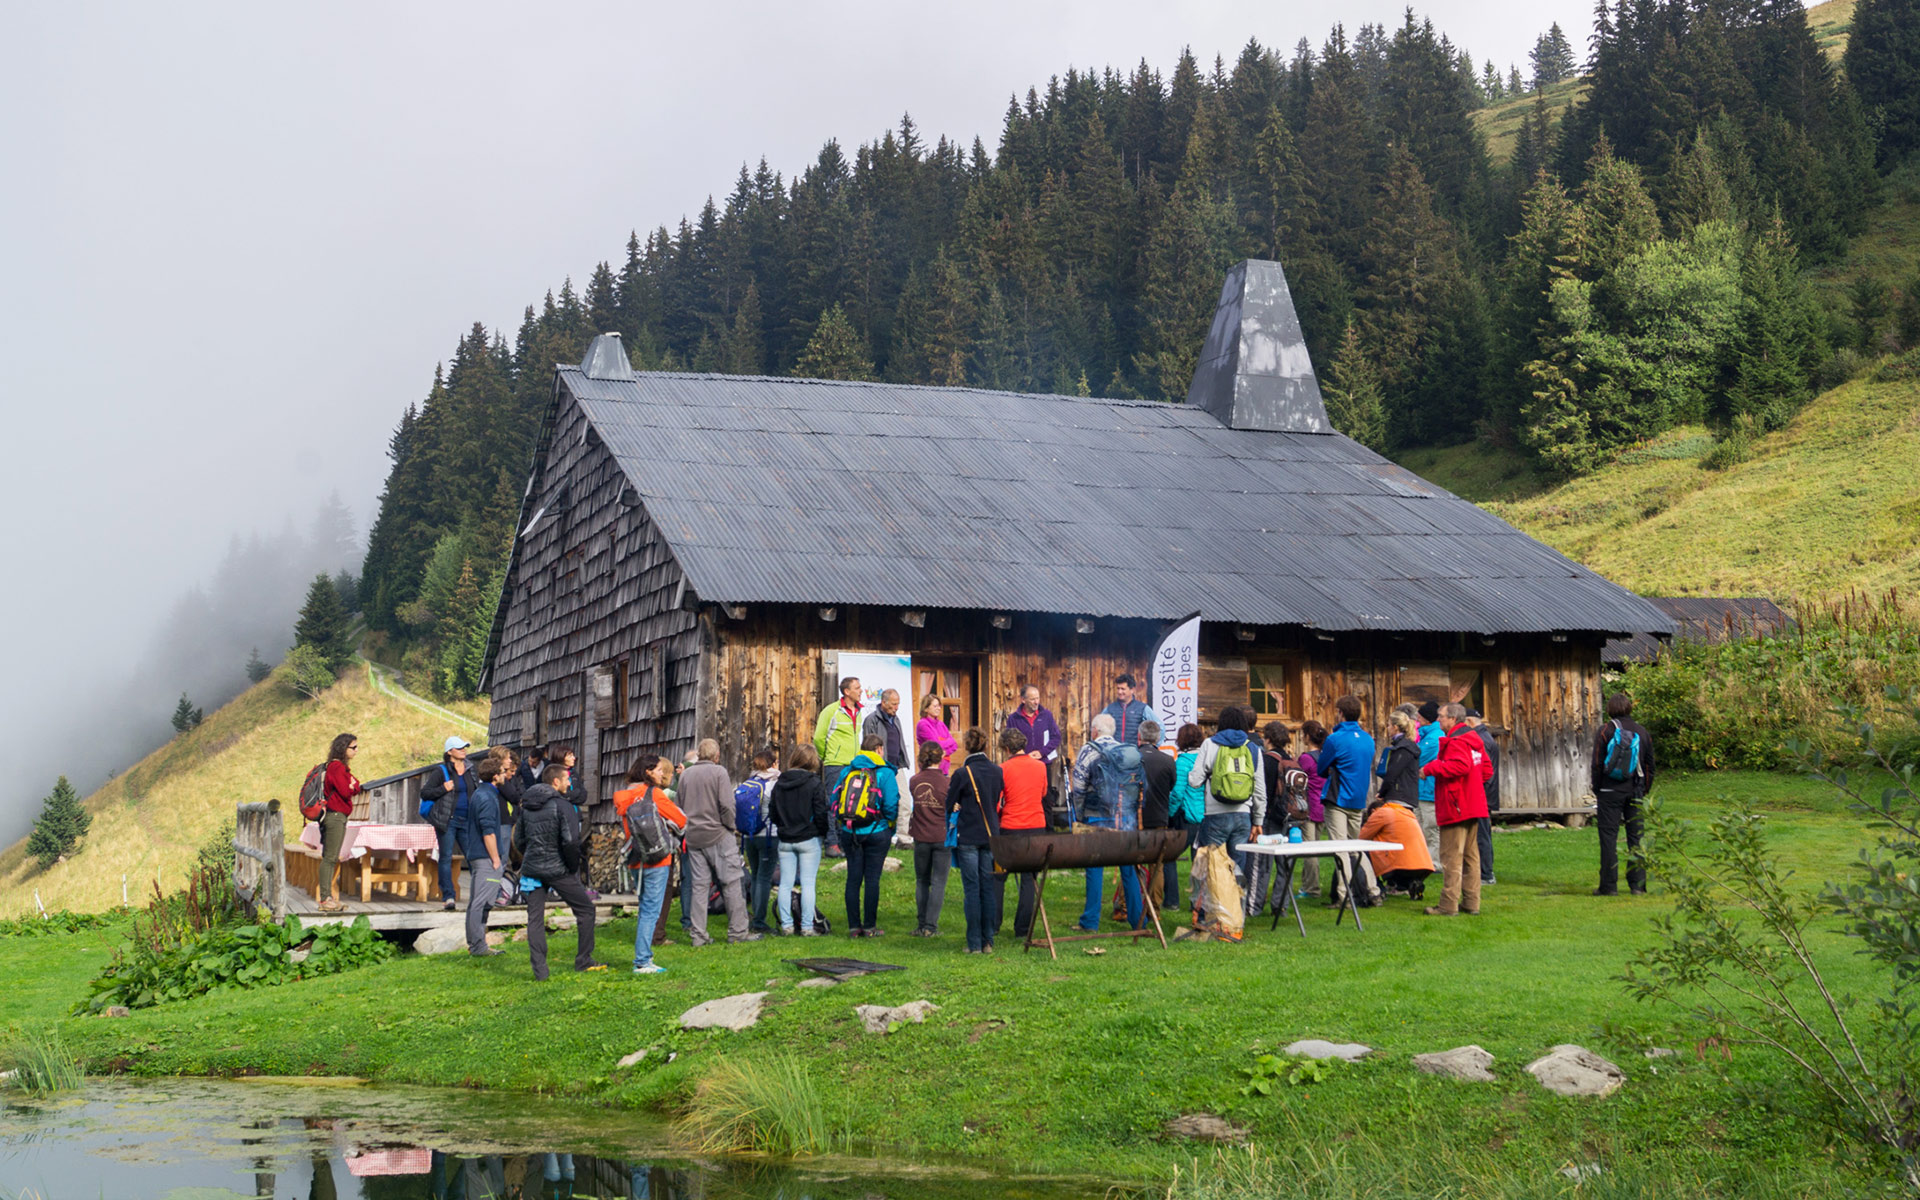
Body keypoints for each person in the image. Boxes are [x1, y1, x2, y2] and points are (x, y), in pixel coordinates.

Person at [516, 763, 599, 980]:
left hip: (532, 869)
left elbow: (519, 840)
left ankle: (540, 972)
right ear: (556, 782)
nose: (569, 782)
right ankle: (584, 960)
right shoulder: (562, 805)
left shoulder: (527, 805)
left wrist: (532, 854)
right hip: (558, 868)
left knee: (534, 918)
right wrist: (572, 867)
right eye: (567, 779)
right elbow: (571, 841)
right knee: (586, 910)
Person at [677, 740, 761, 946]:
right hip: (717, 834)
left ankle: (698, 935)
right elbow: (726, 804)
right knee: (731, 881)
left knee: (699, 886)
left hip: (693, 835)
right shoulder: (719, 773)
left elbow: (678, 805)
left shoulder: (685, 775)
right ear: (716, 756)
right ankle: (738, 932)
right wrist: (730, 826)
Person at [1068, 713, 1144, 932]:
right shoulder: (1125, 752)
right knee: (1128, 869)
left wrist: (1079, 815)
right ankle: (1138, 921)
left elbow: (1079, 786)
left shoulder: (1088, 750)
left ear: (1094, 731)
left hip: (1096, 815)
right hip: (1123, 818)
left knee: (1095, 868)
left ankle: (1090, 921)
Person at [614, 755, 685, 973]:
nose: (661, 773)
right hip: (658, 857)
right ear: (647, 772)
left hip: (636, 857)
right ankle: (643, 960)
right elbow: (681, 820)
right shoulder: (653, 794)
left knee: (645, 905)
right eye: (657, 770)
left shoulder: (623, 795)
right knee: (650, 911)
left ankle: (644, 958)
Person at [1419, 703, 1491, 916]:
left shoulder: (1456, 741)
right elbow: (1486, 770)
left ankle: (1448, 905)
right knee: (1471, 857)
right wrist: (1471, 787)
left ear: (1453, 719)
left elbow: (1460, 766)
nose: (1438, 720)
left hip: (1456, 806)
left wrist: (1430, 768)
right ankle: (1471, 902)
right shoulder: (1474, 741)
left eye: (1441, 716)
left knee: (1451, 858)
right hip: (1473, 804)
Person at [1187, 706, 1268, 892]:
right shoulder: (1253, 748)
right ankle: (1235, 915)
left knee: (1211, 867)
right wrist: (1258, 820)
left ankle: (1210, 916)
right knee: (1237, 868)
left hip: (1216, 815)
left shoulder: (1210, 744)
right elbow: (1259, 790)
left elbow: (1194, 781)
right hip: (1243, 816)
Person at [945, 728, 1004, 954]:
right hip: (990, 836)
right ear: (986, 746)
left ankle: (974, 943)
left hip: (968, 835)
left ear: (967, 746)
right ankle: (988, 941)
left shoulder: (962, 774)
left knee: (972, 889)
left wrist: (957, 806)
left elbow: (950, 803)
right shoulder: (997, 771)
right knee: (987, 888)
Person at [836, 734, 900, 937]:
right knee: (873, 879)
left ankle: (854, 926)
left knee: (853, 879)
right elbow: (891, 804)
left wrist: (844, 824)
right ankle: (870, 926)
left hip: (850, 831)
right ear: (879, 750)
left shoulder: (847, 770)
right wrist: (889, 825)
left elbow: (835, 799)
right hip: (877, 830)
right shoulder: (885, 773)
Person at [1316, 697, 1378, 905]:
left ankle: (1343, 894)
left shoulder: (1335, 739)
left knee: (1340, 847)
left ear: (1340, 713)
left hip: (1339, 798)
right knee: (1357, 847)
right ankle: (1373, 890)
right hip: (1359, 798)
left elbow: (1321, 768)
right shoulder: (1368, 738)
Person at [1592, 691, 1655, 896]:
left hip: (1609, 791)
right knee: (1636, 838)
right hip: (1635, 791)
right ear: (1629, 707)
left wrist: (1598, 789)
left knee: (1609, 838)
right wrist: (1643, 789)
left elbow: (1597, 764)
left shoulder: (1605, 731)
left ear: (1610, 709)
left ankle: (1609, 887)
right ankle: (1638, 885)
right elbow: (1650, 766)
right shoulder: (1642, 732)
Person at [771, 744, 832, 936]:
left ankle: (787, 925)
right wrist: (822, 832)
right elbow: (821, 812)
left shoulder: (780, 783)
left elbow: (773, 811)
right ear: (812, 761)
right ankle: (806, 926)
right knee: (808, 883)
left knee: (785, 884)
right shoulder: (814, 783)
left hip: (786, 838)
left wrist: (783, 826)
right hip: (808, 837)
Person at [996, 727, 1049, 940]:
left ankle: (993, 923)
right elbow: (1043, 792)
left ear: (1007, 748)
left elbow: (998, 799)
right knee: (1029, 879)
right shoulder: (1040, 767)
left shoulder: (1003, 769)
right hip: (1036, 825)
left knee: (998, 877)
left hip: (1010, 826)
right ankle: (1023, 928)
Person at [419, 735, 475, 912]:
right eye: (459, 748)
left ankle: (480, 894)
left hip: (467, 820)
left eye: (464, 747)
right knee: (445, 857)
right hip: (448, 821)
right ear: (450, 752)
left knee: (473, 857)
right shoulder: (441, 771)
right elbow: (425, 793)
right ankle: (448, 896)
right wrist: (444, 788)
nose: (464, 750)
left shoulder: (471, 770)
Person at [1246, 723, 1296, 917]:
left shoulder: (1266, 761)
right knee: (1285, 863)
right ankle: (1280, 906)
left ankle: (1254, 906)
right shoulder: (1291, 761)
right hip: (1289, 818)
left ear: (1267, 739)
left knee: (1261, 864)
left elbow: (1261, 792)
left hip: (1268, 817)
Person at [460, 756, 508, 956]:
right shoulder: (487, 798)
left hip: (477, 855)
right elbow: (488, 831)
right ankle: (478, 947)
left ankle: (478, 945)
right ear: (496, 776)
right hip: (486, 857)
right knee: (482, 902)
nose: (506, 775)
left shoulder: (481, 793)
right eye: (504, 772)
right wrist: (496, 859)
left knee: (478, 901)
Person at [906, 740, 952, 937]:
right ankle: (931, 927)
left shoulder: (915, 780)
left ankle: (921, 923)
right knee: (939, 881)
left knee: (921, 880)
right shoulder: (947, 783)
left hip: (920, 835)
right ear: (940, 758)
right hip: (941, 834)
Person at [1358, 795, 1436, 900]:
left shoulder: (1381, 813)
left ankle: (1378, 888)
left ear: (1373, 811)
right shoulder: (1407, 813)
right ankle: (1407, 885)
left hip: (1399, 864)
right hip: (1423, 864)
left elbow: (1362, 838)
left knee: (1364, 852)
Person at [316, 732, 361, 913]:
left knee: (331, 857)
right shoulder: (337, 767)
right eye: (354, 747)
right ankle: (325, 899)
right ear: (344, 748)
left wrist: (352, 785)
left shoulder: (338, 767)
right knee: (330, 858)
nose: (356, 751)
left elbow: (356, 785)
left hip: (335, 816)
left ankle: (328, 898)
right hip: (335, 816)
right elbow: (345, 790)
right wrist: (350, 786)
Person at [1137, 721, 1178, 912]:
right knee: (1157, 865)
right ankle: (1154, 906)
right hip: (1159, 816)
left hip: (1136, 818)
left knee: (1130, 862)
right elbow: (1171, 787)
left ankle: (1125, 905)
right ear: (1157, 738)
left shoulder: (1133, 758)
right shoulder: (1168, 761)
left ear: (1140, 736)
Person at [739, 748, 781, 933]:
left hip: (749, 835)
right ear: (773, 764)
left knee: (755, 875)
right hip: (769, 835)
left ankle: (756, 915)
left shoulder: (748, 782)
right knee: (765, 878)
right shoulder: (774, 784)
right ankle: (759, 920)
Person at [1168, 723, 1207, 909]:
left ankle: (1172, 901)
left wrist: (1169, 813)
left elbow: (1177, 793)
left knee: (1169, 857)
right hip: (1206, 817)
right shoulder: (1207, 758)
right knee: (1199, 862)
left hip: (1188, 818)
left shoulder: (1182, 762)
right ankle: (1198, 904)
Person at [1294, 721, 1331, 900]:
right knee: (1314, 846)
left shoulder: (1306, 759)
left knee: (1309, 849)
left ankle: (1312, 887)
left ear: (1307, 736)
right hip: (1324, 806)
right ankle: (1308, 884)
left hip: (1309, 806)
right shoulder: (1325, 756)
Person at [1466, 709, 1500, 885]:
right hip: (1486, 793)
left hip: (1483, 794)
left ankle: (1486, 873)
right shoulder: (1486, 736)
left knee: (1481, 834)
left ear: (1470, 722)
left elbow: (1484, 771)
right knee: (1482, 833)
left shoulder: (1480, 740)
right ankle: (1483, 871)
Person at [814, 677, 865, 792]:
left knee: (852, 804)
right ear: (847, 692)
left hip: (854, 765)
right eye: (857, 688)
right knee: (834, 803)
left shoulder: (859, 712)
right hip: (835, 766)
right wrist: (827, 756)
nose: (861, 691)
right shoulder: (830, 711)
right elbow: (818, 738)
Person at [1414, 701, 1444, 866]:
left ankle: (1435, 862)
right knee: (1421, 827)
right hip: (1421, 788)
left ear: (1426, 719)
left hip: (1429, 790)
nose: (1417, 720)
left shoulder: (1434, 738)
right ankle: (1423, 859)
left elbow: (1416, 759)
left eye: (1419, 717)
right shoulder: (1425, 736)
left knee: (1431, 827)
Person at [1005, 685, 1063, 765]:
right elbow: (1009, 743)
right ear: (1023, 700)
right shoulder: (1014, 719)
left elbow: (1056, 737)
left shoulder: (1046, 715)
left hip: (1043, 763)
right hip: (1022, 765)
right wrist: (1025, 756)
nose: (1036, 702)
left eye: (1037, 698)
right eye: (1032, 699)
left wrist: (1042, 752)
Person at [1101, 672, 1152, 747]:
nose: (1119, 692)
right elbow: (1098, 728)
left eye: (1123, 689)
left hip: (1134, 754)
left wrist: (1153, 747)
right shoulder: (1109, 709)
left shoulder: (1143, 708)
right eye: (1118, 688)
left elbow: (1160, 727)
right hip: (1114, 754)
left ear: (1132, 690)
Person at [915, 692, 959, 774]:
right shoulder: (923, 724)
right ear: (926, 708)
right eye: (935, 706)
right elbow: (936, 745)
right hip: (930, 770)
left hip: (944, 771)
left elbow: (955, 745)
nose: (938, 708)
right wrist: (949, 741)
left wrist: (945, 751)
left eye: (939, 706)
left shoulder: (941, 724)